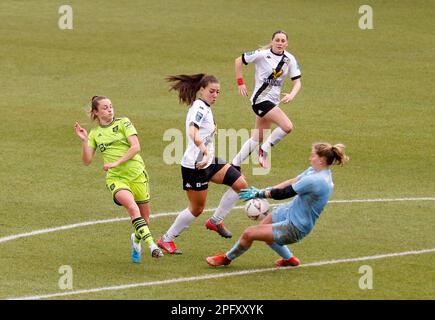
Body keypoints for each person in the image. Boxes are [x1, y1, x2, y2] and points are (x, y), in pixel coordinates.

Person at [206, 142, 349, 267]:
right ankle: (290, 260)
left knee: (249, 233)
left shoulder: (316, 180)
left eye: (313, 156)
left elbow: (285, 193)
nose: (310, 158)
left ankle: (226, 259)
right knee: (264, 230)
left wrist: (260, 194)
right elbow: (292, 181)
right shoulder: (317, 170)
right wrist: (265, 190)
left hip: (296, 226)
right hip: (290, 211)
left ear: (322, 160)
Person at [157, 74, 249, 254]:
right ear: (201, 90)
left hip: (209, 162)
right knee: (197, 209)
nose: (215, 95)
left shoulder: (205, 106)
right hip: (195, 166)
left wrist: (208, 155)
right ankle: (166, 239)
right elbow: (193, 131)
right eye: (211, 91)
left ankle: (215, 221)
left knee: (240, 184)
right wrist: (205, 152)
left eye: (218, 92)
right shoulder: (199, 108)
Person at [74, 96, 163, 264]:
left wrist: (117, 162)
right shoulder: (95, 134)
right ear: (96, 112)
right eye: (105, 107)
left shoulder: (124, 123)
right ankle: (153, 247)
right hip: (116, 178)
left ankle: (136, 240)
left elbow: (136, 146)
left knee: (145, 221)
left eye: (111, 106)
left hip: (137, 174)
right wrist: (85, 140)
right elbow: (87, 161)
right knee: (132, 206)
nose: (109, 109)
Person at [232, 30, 302, 170]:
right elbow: (239, 60)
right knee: (287, 127)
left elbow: (297, 82)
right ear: (272, 41)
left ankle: (234, 165)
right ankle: (264, 150)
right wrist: (240, 82)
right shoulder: (262, 55)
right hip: (260, 100)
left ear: (286, 44)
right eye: (277, 40)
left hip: (273, 102)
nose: (280, 43)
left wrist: (292, 95)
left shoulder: (290, 59)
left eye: (283, 41)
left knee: (257, 137)